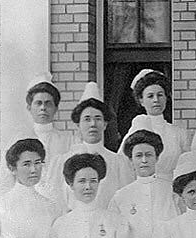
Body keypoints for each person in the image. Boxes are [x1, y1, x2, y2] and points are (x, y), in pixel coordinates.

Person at [43, 82, 134, 212]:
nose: (92, 124)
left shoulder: (118, 162)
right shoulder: (61, 162)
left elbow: (126, 199)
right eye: (86, 119)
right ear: (78, 125)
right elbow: (55, 201)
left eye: (98, 119)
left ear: (105, 124)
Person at [0, 73, 72, 197]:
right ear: (29, 107)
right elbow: (6, 181)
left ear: (56, 108)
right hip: (25, 204)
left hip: (59, 204)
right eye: (38, 103)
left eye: (48, 103)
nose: (43, 108)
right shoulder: (17, 140)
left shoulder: (68, 141)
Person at [118, 69, 188, 181]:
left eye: (160, 95)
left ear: (166, 97)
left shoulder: (178, 132)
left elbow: (186, 165)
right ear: (141, 101)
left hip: (171, 189)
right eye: (150, 96)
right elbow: (123, 165)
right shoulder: (136, 129)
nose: (156, 100)